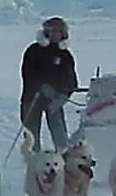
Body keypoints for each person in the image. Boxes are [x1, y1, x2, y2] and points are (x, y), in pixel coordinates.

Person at [20, 15, 79, 150]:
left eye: (58, 31)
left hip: (54, 100)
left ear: (63, 34)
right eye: (51, 31)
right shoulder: (34, 50)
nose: (54, 34)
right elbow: (28, 73)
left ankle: (63, 160)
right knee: (31, 136)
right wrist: (42, 86)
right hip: (32, 99)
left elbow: (71, 80)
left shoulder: (65, 55)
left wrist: (63, 96)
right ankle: (33, 162)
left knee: (60, 135)